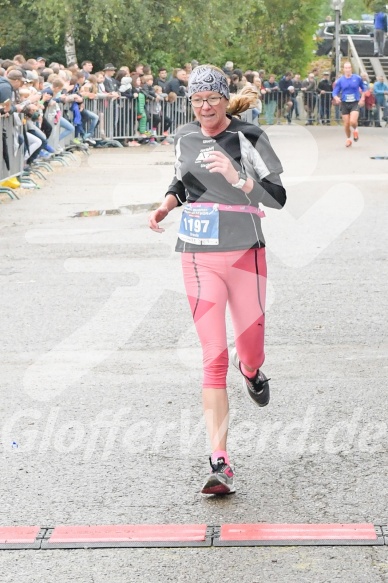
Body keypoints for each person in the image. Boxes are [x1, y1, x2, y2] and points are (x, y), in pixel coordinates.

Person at [148, 65, 286, 496]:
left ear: (225, 99)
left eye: (211, 98)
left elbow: (278, 197)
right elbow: (184, 178)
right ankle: (220, 461)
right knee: (213, 355)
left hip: (246, 254)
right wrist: (168, 204)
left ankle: (253, 371)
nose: (204, 106)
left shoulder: (250, 137)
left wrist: (237, 177)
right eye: (197, 100)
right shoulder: (185, 136)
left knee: (249, 349)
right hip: (197, 255)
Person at [332, 62, 365, 147]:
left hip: (355, 102)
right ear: (344, 69)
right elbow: (335, 92)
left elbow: (364, 88)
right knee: (346, 124)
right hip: (344, 103)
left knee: (353, 121)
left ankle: (355, 130)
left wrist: (362, 98)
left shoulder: (357, 78)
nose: (347, 70)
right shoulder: (340, 80)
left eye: (349, 68)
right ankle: (348, 139)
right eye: (346, 68)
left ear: (351, 69)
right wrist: (336, 98)